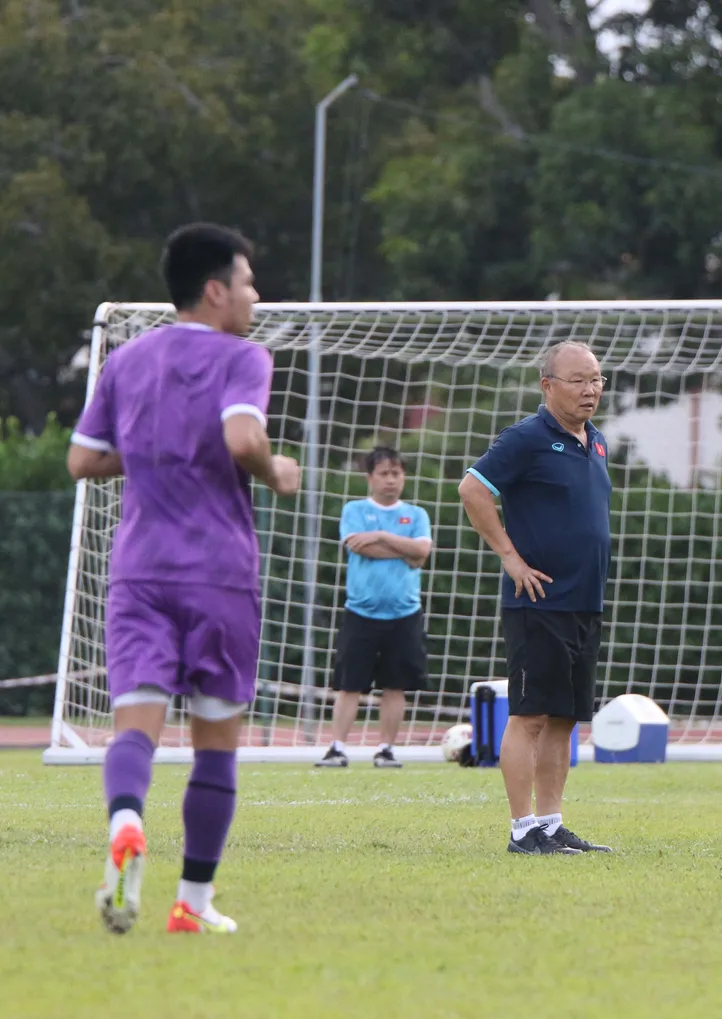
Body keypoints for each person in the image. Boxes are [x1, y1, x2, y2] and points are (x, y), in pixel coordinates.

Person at [67, 223, 300, 935]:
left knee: (134, 723)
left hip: (139, 570)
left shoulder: (127, 359)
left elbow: (82, 459)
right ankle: (192, 903)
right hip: (218, 573)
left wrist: (153, 457)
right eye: (248, 282)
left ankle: (127, 818)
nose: (256, 296)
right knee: (216, 743)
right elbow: (241, 438)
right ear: (215, 289)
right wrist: (274, 470)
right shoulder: (242, 357)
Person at [458, 341, 613, 855]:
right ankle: (522, 829)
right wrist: (510, 556)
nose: (590, 389)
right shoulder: (525, 438)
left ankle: (549, 823)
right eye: (578, 380)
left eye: (596, 379)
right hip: (538, 601)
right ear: (548, 386)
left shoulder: (596, 441)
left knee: (564, 717)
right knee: (530, 715)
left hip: (584, 602)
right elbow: (473, 489)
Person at [315, 447, 432, 769]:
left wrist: (380, 536)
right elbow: (356, 546)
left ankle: (386, 749)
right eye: (384, 473)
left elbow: (422, 552)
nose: (391, 480)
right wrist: (404, 549)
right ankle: (337, 747)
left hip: (405, 613)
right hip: (361, 611)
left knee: (395, 685)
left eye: (396, 473)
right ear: (370, 478)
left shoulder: (417, 515)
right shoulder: (354, 510)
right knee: (349, 683)